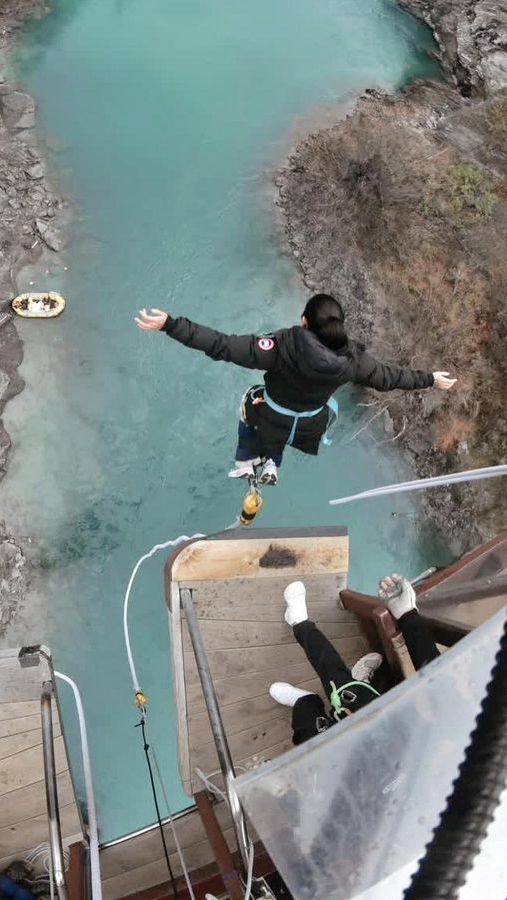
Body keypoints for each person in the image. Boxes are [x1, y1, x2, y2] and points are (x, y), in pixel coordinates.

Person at [135, 294, 456, 486]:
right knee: (285, 426)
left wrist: (170, 325)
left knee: (250, 400)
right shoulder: (353, 361)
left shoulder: (277, 348)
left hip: (272, 414)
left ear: (303, 321)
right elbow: (390, 377)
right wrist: (430, 379)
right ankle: (273, 465)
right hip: (310, 423)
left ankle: (246, 461)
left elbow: (221, 345)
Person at [269, 573, 440, 745]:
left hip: (363, 755)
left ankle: (305, 701)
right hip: (389, 725)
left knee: (307, 735)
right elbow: (439, 682)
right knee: (340, 682)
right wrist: (407, 615)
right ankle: (299, 623)